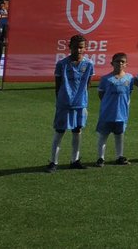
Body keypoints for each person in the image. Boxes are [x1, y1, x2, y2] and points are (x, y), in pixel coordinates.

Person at [49, 34, 95, 172]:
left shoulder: (89, 64)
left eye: (81, 47)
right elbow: (58, 85)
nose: (78, 50)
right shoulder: (62, 64)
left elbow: (88, 84)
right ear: (70, 47)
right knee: (60, 131)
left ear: (85, 48)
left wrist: (81, 98)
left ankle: (75, 160)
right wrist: (61, 100)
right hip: (64, 103)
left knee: (77, 131)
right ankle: (53, 162)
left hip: (80, 104)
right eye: (75, 47)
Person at [95, 52, 134, 166]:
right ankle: (100, 158)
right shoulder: (106, 79)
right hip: (107, 112)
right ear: (112, 63)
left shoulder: (129, 78)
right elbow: (101, 94)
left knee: (119, 135)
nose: (120, 63)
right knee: (103, 135)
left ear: (126, 64)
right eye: (117, 61)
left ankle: (119, 156)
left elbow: (129, 93)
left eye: (122, 61)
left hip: (121, 113)